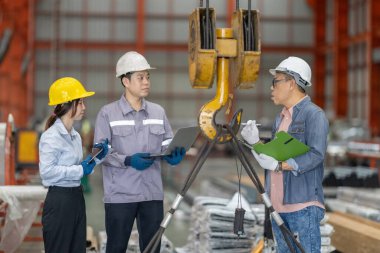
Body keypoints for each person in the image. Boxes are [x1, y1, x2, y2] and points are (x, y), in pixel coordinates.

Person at [94, 51, 186, 253]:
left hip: (151, 194)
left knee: (152, 249)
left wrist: (172, 154)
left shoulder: (158, 112)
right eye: (140, 77)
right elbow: (101, 153)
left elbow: (167, 142)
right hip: (120, 196)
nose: (146, 82)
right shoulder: (107, 113)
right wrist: (127, 160)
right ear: (126, 81)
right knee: (116, 248)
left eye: (148, 77)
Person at [241, 56, 329, 253]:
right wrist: (255, 143)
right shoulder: (279, 119)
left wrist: (281, 166)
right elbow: (275, 154)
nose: (272, 88)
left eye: (276, 82)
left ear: (291, 83)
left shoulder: (314, 115)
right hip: (278, 205)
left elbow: (316, 155)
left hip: (303, 205)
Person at [39, 77, 109, 253]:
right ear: (68, 104)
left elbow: (78, 167)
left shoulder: (75, 136)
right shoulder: (51, 137)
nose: (84, 107)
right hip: (59, 201)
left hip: (76, 199)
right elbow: (47, 172)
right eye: (81, 102)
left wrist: (97, 158)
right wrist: (79, 169)